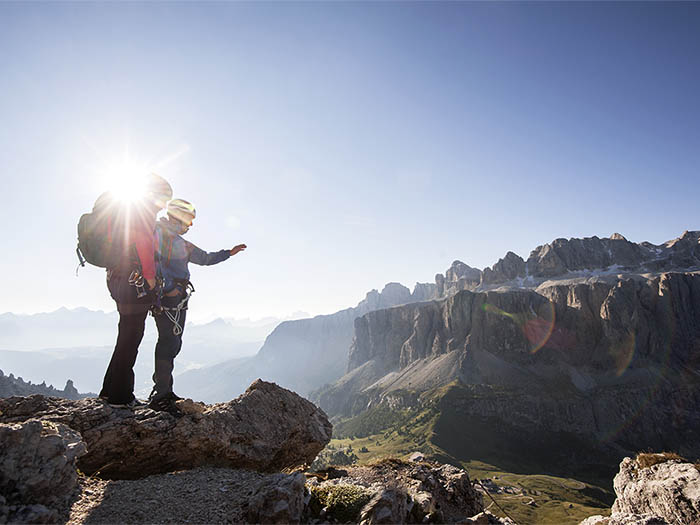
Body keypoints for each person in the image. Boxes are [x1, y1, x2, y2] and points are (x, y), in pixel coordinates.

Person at [148, 198, 246, 414]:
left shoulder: (173, 239)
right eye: (188, 221)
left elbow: (205, 258)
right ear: (179, 218)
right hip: (169, 298)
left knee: (171, 342)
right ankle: (161, 393)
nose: (189, 226)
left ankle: (164, 390)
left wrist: (228, 253)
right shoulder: (163, 237)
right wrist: (169, 289)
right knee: (168, 343)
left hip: (175, 298)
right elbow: (155, 265)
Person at [99, 173, 173, 406]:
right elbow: (145, 248)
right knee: (132, 337)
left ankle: (108, 390)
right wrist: (151, 282)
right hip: (135, 284)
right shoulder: (143, 214)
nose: (164, 205)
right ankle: (120, 396)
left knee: (124, 335)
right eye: (164, 198)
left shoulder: (125, 213)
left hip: (117, 278)